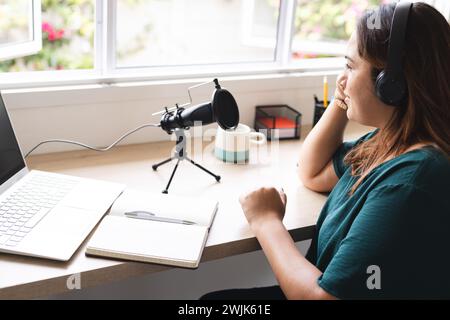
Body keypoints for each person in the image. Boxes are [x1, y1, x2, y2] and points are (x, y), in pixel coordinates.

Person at [201, 2, 450, 300]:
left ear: (391, 84)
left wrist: (265, 221)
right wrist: (343, 100)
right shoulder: (391, 141)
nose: (341, 80)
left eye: (349, 66)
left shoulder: (412, 181)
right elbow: (313, 171)